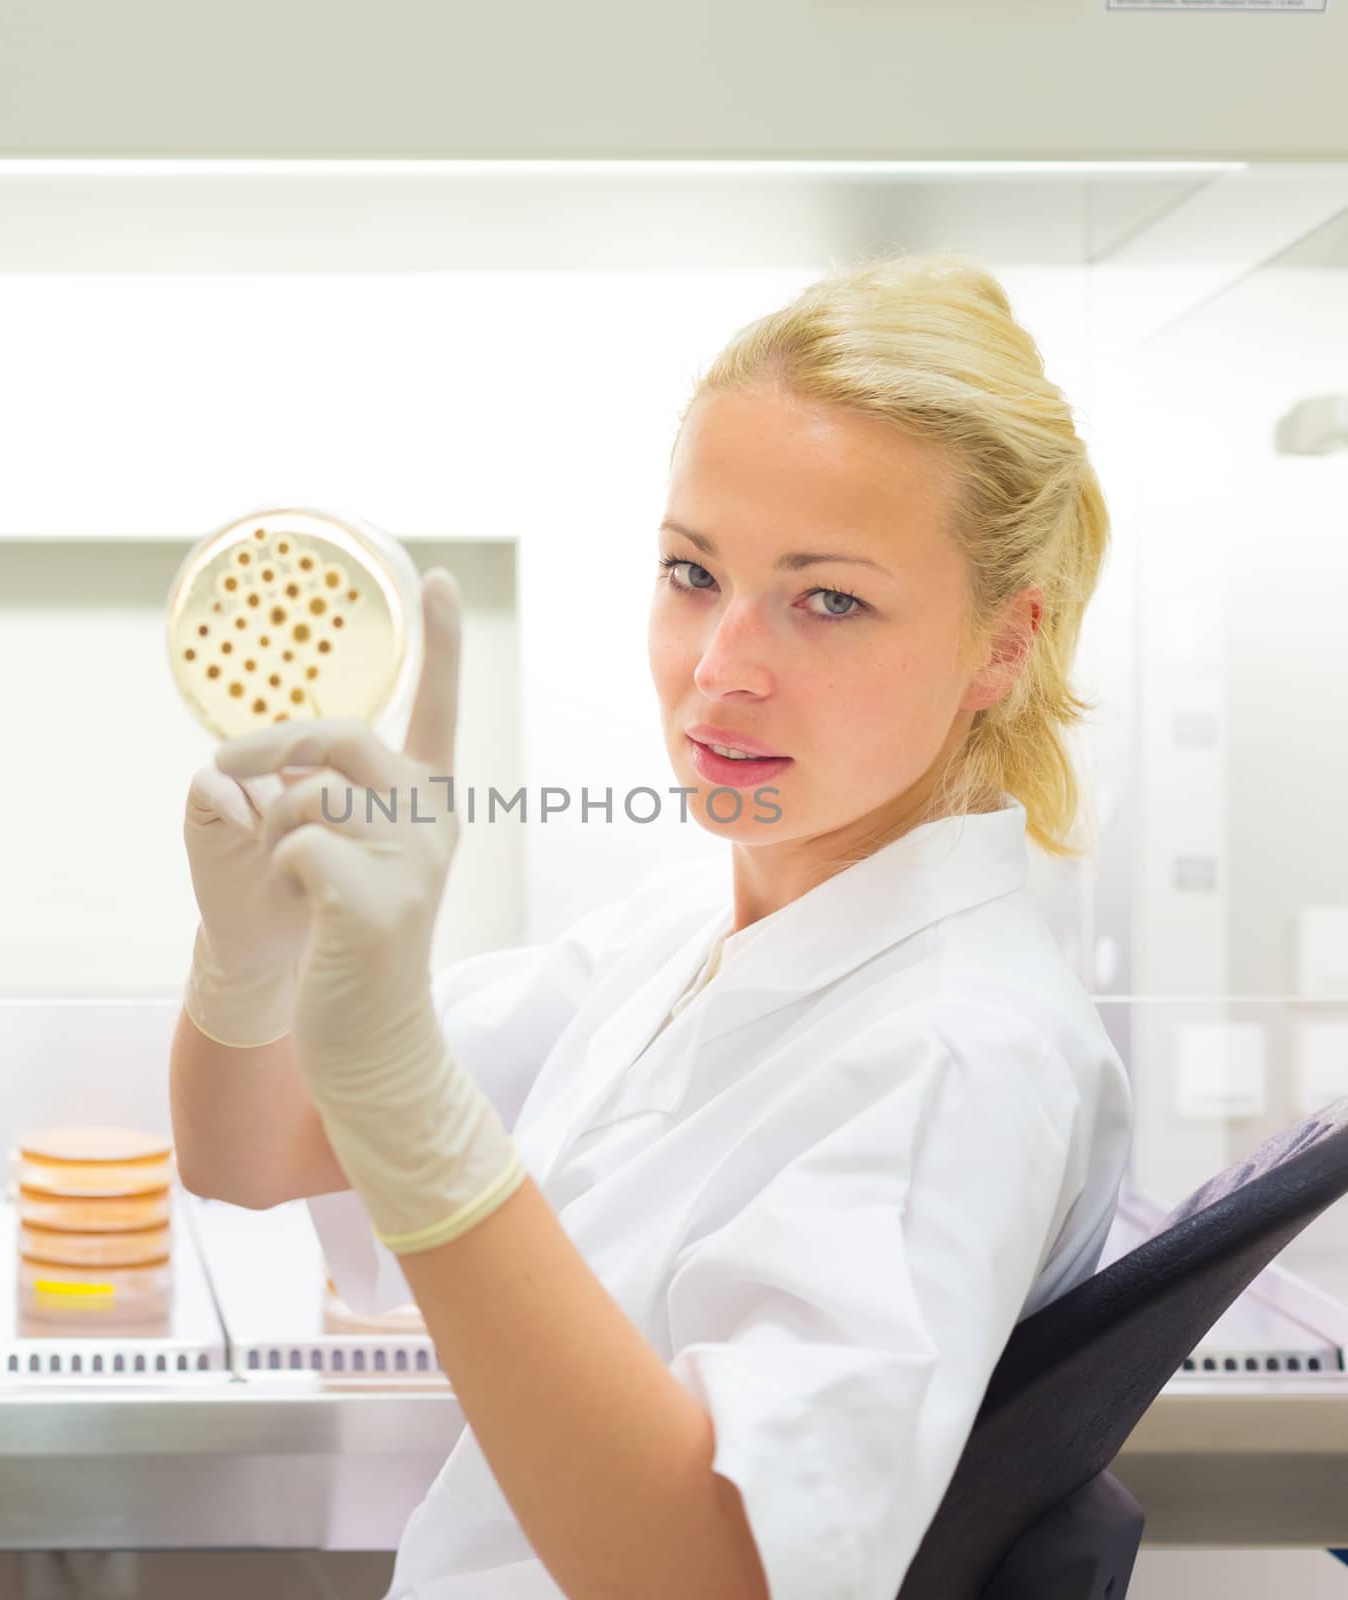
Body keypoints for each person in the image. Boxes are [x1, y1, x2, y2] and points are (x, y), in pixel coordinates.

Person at [168, 249, 1134, 1600]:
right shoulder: (689, 931)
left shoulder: (958, 1053)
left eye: (830, 598)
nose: (721, 668)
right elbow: (251, 1153)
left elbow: (726, 1575)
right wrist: (250, 965)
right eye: (692, 574)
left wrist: (407, 1101)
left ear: (1003, 644)